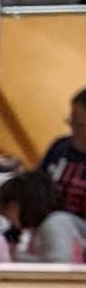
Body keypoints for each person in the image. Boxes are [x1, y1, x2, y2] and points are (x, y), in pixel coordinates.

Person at [8, 167, 86, 265]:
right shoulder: (36, 230)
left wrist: (15, 258)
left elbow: (60, 264)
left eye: (10, 208)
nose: (8, 217)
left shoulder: (55, 223)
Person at [40, 87, 86, 221]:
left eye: (79, 124)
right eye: (71, 120)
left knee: (56, 223)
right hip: (50, 224)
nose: (71, 127)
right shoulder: (60, 147)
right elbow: (38, 186)